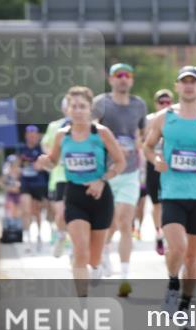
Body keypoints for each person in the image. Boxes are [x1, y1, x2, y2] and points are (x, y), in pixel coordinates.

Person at [144, 67, 196, 319]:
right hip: (172, 193)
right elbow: (148, 147)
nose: (189, 86)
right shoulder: (164, 117)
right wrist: (156, 159)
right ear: (177, 86)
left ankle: (186, 302)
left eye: (194, 82)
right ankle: (173, 282)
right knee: (178, 247)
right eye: (185, 82)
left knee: (193, 258)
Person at [36, 86, 126, 296]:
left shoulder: (101, 133)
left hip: (100, 197)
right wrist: (45, 162)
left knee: (93, 258)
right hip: (75, 195)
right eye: (73, 106)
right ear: (67, 109)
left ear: (90, 108)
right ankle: (82, 301)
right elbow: (53, 162)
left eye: (82, 106)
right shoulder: (62, 135)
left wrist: (102, 180)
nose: (77, 111)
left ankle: (96, 268)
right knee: (80, 251)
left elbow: (120, 162)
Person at [92, 63, 148, 296]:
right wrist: (113, 147)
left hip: (130, 171)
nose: (123, 79)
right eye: (119, 75)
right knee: (109, 223)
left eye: (127, 75)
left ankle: (124, 276)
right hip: (105, 172)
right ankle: (103, 252)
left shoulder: (139, 104)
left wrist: (138, 147)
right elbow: (91, 131)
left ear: (132, 80)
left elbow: (142, 134)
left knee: (125, 221)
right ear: (111, 79)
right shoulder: (101, 103)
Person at [145, 89, 174, 255]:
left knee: (169, 201)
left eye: (168, 102)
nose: (165, 104)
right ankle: (159, 233)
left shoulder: (177, 118)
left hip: (171, 165)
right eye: (161, 102)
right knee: (156, 203)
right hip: (154, 164)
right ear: (156, 104)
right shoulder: (149, 119)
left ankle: (169, 234)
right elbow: (143, 143)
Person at [43, 98, 72, 258]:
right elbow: (46, 145)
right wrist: (53, 156)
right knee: (61, 214)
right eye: (70, 106)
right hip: (59, 177)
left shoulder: (87, 128)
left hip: (78, 178)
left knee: (76, 215)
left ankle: (75, 248)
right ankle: (61, 235)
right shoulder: (55, 127)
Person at [18, 125, 49, 247]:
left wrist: (42, 165)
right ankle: (27, 236)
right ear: (26, 136)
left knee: (36, 211)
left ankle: (39, 234)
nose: (31, 137)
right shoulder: (21, 149)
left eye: (34, 135)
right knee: (26, 210)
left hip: (39, 183)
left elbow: (48, 163)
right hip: (25, 182)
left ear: (37, 137)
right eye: (29, 135)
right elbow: (17, 164)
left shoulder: (42, 149)